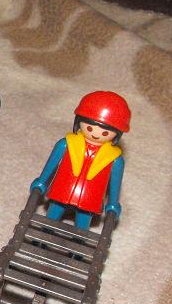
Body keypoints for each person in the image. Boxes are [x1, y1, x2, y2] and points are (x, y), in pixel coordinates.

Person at [30, 90, 130, 230]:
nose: (96, 134)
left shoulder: (115, 159)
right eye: (89, 127)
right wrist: (42, 181)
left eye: (105, 132)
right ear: (79, 122)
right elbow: (51, 164)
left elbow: (115, 184)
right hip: (61, 191)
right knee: (51, 218)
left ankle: (78, 242)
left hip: (89, 200)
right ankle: (43, 235)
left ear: (117, 133)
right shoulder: (66, 144)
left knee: (82, 227)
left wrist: (113, 203)